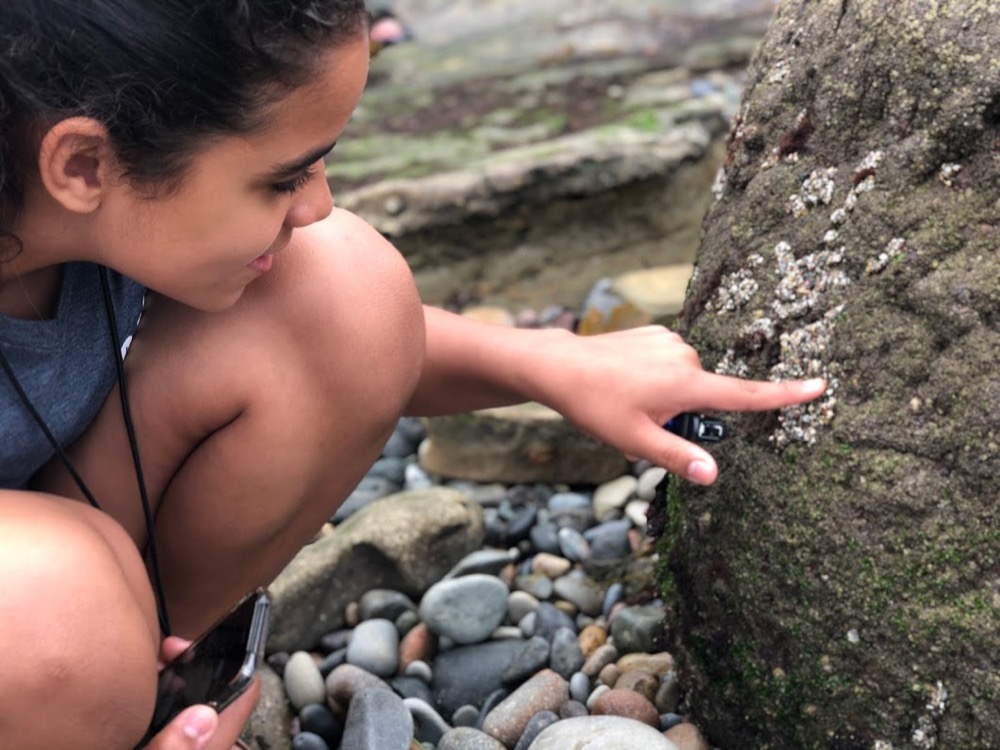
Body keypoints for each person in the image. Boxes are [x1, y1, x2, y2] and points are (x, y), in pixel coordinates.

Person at [0, 2, 826, 748]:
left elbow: (351, 339)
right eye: (283, 177)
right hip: (36, 593)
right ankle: (77, 672)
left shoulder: (88, 210)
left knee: (341, 289)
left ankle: (149, 682)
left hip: (63, 548)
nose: (317, 203)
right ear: (82, 166)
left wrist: (553, 362)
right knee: (58, 613)